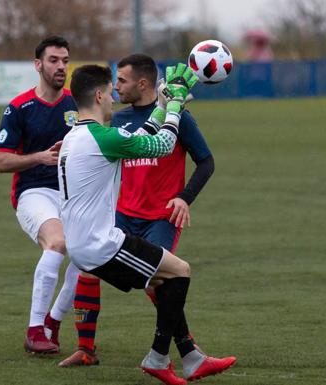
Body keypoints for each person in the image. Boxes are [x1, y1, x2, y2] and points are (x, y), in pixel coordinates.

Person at [58, 64, 235, 385]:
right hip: (101, 245)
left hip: (85, 244)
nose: (114, 97)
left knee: (161, 281)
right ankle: (157, 358)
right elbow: (163, 145)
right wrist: (177, 104)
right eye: (111, 91)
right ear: (98, 95)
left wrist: (163, 107)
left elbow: (139, 137)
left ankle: (192, 358)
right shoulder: (101, 137)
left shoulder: (77, 136)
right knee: (180, 271)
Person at [0, 36, 80, 354]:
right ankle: (34, 329)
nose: (61, 67)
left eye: (65, 61)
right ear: (38, 65)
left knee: (87, 257)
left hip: (72, 196)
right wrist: (40, 157)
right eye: (54, 60)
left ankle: (53, 323)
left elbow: (116, 116)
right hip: (33, 193)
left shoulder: (75, 103)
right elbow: (1, 162)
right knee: (57, 243)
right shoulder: (19, 108)